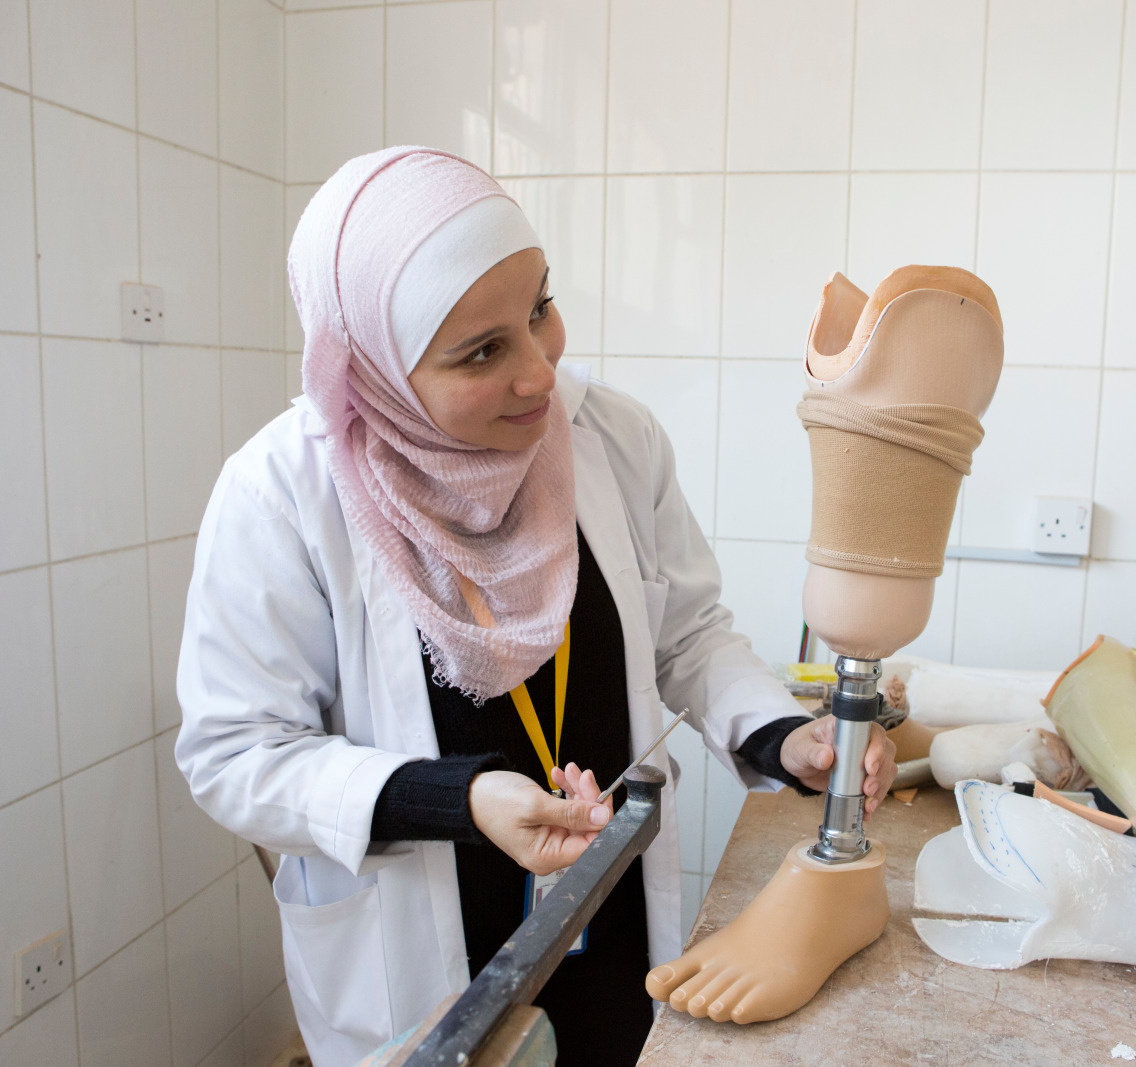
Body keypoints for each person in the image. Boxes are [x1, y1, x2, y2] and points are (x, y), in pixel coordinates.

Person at [174, 147, 896, 1067]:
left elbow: (690, 635)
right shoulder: (283, 497)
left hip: (611, 918)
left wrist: (781, 733)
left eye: (540, 308)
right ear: (378, 369)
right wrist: (462, 797)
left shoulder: (610, 437)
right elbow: (235, 755)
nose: (540, 372)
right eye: (483, 351)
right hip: (423, 952)